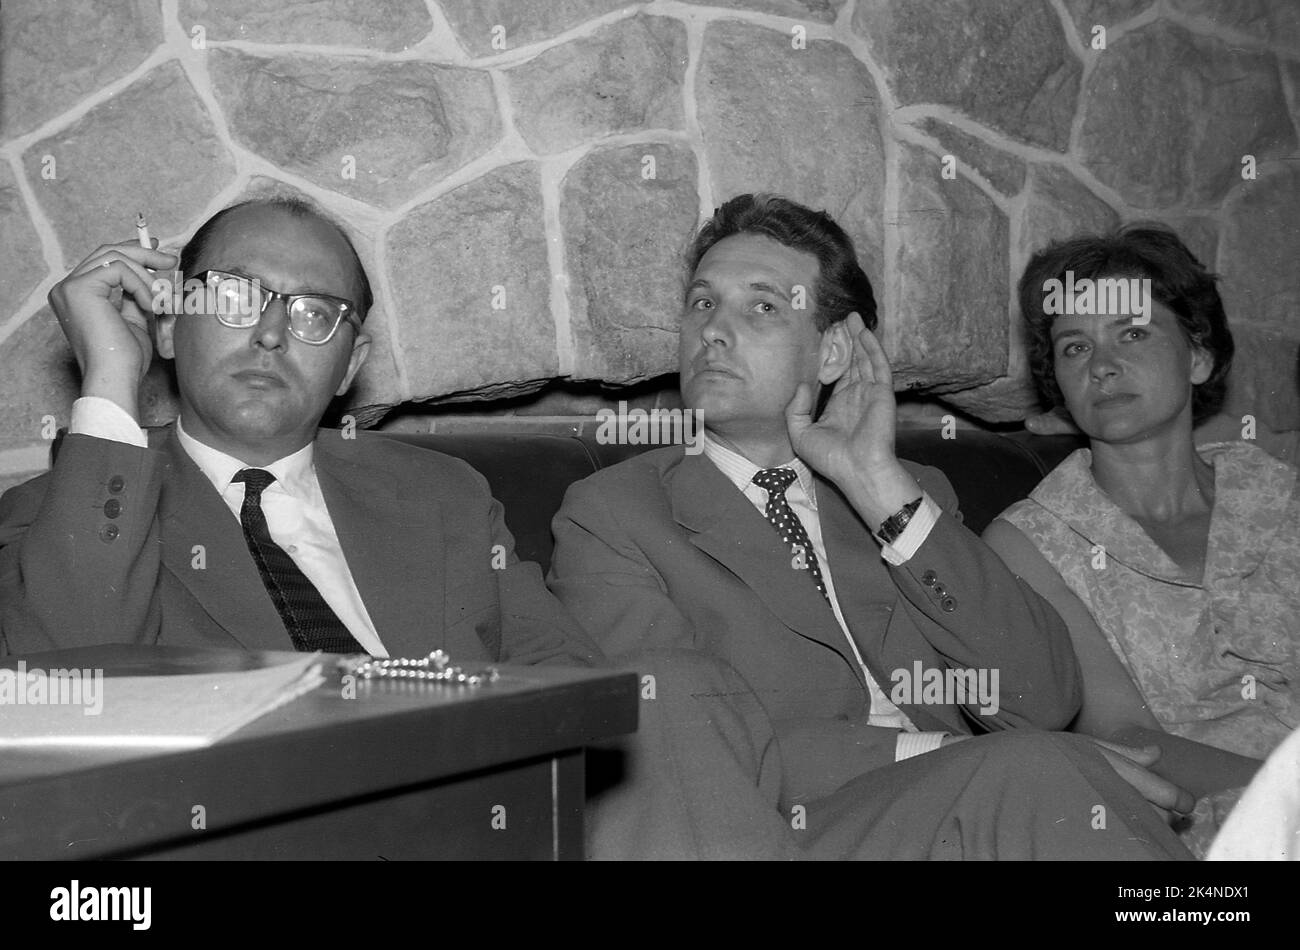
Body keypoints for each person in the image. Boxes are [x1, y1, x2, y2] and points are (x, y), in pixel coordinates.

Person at [547, 193, 1192, 859]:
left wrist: (879, 486)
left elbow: (1043, 698)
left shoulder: (908, 495)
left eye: (763, 306)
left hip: (970, 819)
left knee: (1053, 781)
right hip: (784, 833)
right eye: (702, 303)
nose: (712, 328)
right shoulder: (614, 515)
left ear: (831, 354)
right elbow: (672, 744)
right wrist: (944, 753)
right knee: (1040, 772)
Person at [0, 195, 599, 668]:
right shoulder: (48, 517)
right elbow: (75, 689)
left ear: (351, 366)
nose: (270, 333)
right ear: (167, 329)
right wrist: (109, 376)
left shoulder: (447, 496)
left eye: (315, 313)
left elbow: (568, 678)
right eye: (234, 295)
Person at [984, 223, 1300, 852]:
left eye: (1132, 333)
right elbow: (1128, 740)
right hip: (1184, 840)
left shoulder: (1279, 495)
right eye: (1075, 347)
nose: (1102, 365)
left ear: (1200, 356)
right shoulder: (1029, 543)